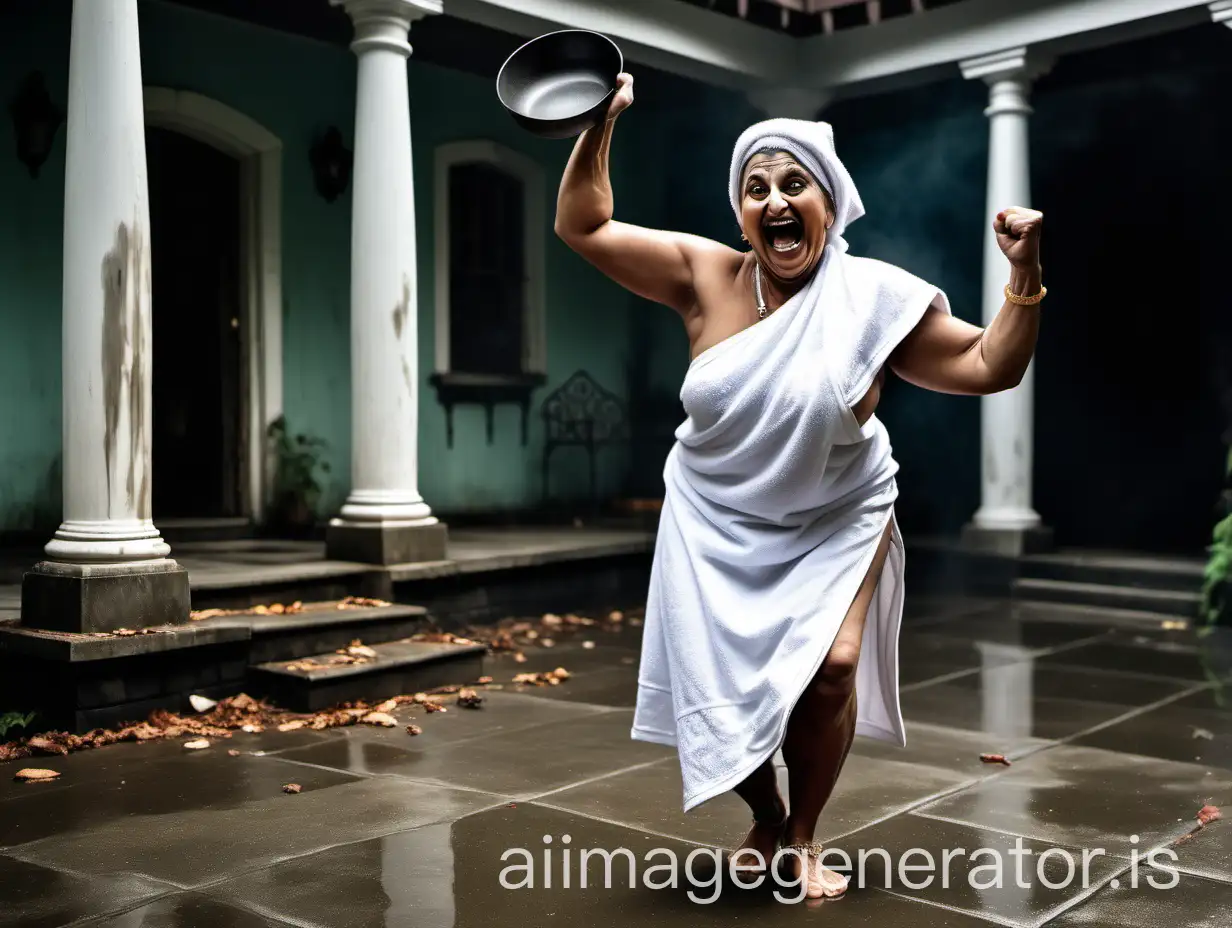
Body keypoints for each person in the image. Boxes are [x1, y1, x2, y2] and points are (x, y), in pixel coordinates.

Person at [554, 73, 1044, 900]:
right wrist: (601, 122)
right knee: (717, 684)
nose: (775, 201)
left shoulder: (871, 301)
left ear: (829, 200)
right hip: (712, 519)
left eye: (793, 184)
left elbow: (992, 364)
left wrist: (1024, 274)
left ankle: (806, 834)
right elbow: (583, 223)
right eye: (756, 188)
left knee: (832, 668)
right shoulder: (704, 274)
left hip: (834, 514)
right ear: (741, 212)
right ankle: (766, 813)